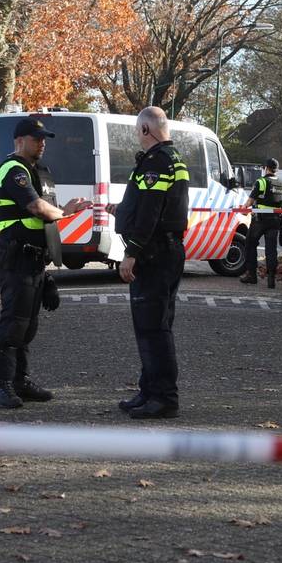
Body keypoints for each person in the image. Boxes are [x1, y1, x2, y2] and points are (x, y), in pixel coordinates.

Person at [0, 117, 91, 408]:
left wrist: (47, 273)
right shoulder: (12, 170)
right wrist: (65, 213)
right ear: (20, 140)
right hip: (16, 257)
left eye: (44, 138)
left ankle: (20, 381)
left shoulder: (38, 171)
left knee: (28, 325)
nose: (42, 143)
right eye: (37, 138)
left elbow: (44, 221)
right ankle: (2, 386)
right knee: (13, 325)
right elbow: (36, 208)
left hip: (33, 260)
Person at [106, 106, 190, 419]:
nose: (136, 136)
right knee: (157, 325)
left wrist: (132, 253)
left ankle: (164, 398)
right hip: (168, 251)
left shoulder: (155, 162)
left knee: (152, 329)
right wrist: (122, 209)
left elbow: (152, 211)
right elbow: (155, 205)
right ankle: (149, 390)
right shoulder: (175, 159)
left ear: (145, 130)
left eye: (136, 130)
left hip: (153, 254)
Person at [240, 157, 282, 288]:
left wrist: (243, 208)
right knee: (271, 250)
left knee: (250, 244)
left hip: (260, 220)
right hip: (275, 221)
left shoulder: (261, 182)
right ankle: (271, 279)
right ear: (276, 170)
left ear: (266, 168)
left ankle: (251, 275)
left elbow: (250, 201)